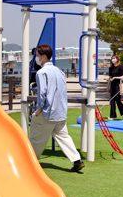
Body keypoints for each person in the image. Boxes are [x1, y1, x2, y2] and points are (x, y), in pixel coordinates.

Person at [29, 44, 85, 172]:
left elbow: (42, 93)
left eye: (37, 55)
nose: (36, 58)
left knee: (36, 138)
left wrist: (38, 109)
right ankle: (77, 160)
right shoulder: (60, 71)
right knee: (64, 137)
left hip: (47, 112)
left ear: (43, 57)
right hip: (60, 112)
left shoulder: (41, 72)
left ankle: (30, 161)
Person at [107, 54, 123, 120]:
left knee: (117, 99)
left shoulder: (120, 67)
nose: (113, 60)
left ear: (117, 59)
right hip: (112, 85)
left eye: (114, 58)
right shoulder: (111, 68)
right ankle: (113, 115)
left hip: (118, 85)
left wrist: (116, 77)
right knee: (112, 100)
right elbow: (110, 78)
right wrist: (108, 86)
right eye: (112, 58)